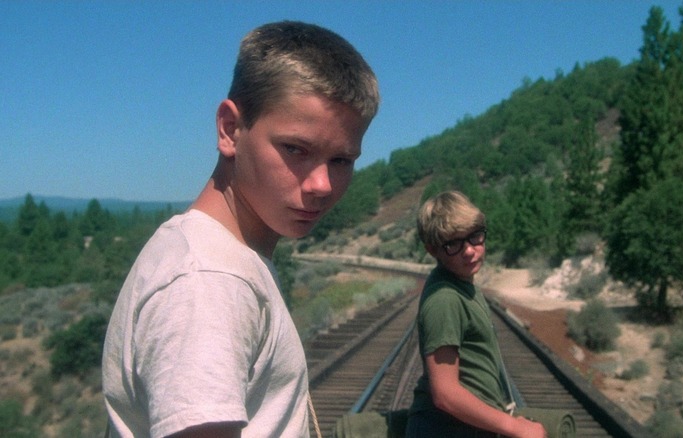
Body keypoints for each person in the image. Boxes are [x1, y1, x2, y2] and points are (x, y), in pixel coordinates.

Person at [102, 21, 379, 438]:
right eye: (296, 150)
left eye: (342, 160)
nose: (322, 184)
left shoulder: (221, 256)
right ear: (230, 129)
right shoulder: (209, 283)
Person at [406, 191, 546, 438]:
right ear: (432, 250)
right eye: (453, 244)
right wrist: (515, 427)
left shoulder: (464, 284)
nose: (469, 251)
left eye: (474, 237)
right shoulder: (445, 298)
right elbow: (445, 394)